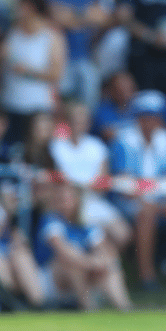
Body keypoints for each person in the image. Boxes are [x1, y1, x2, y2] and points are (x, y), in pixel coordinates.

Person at [109, 90, 166, 289]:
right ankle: (146, 276)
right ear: (138, 117)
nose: (150, 121)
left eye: (154, 116)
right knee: (147, 213)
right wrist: (152, 202)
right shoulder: (123, 140)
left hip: (161, 200)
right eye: (146, 116)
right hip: (127, 202)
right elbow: (124, 185)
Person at [35, 0, 109, 111]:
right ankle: (62, 138)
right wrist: (85, 15)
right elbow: (53, 15)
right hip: (58, 59)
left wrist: (73, 15)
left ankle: (83, 139)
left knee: (87, 109)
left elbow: (102, 16)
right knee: (61, 108)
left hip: (85, 56)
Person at [33, 182, 132, 311]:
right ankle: (88, 308)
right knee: (72, 264)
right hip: (50, 282)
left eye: (67, 200)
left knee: (109, 264)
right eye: (60, 200)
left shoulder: (84, 223)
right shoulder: (50, 220)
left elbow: (106, 249)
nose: (63, 204)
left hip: (84, 275)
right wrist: (92, 263)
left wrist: (103, 261)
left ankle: (125, 308)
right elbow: (63, 251)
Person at [49, 100, 131, 251]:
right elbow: (58, 182)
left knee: (123, 234)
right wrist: (85, 186)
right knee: (97, 240)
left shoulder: (97, 146)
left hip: (93, 201)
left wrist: (81, 184)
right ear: (68, 122)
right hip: (67, 204)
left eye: (82, 121)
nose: (79, 125)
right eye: (75, 121)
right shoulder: (56, 146)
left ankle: (102, 264)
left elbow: (102, 184)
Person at [0, 0, 66, 145]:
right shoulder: (12, 33)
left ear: (30, 7)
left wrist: (28, 71)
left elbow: (56, 74)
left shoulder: (51, 36)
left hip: (38, 106)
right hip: (11, 103)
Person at [92, 71, 138, 143]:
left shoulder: (139, 107)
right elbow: (108, 134)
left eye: (127, 88)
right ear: (111, 90)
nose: (124, 92)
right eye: (120, 89)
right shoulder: (102, 110)